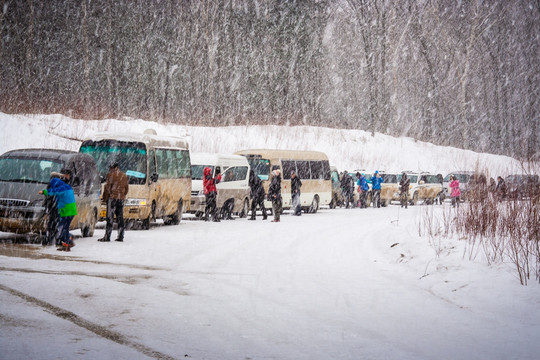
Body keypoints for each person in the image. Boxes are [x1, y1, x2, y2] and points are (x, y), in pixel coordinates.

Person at [39, 168, 77, 251]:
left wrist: (44, 192)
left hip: (65, 210)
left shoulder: (61, 187)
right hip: (69, 210)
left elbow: (54, 191)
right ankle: (66, 242)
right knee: (63, 227)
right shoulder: (66, 186)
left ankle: (67, 242)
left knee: (61, 227)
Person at [98, 162, 129, 242]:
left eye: (111, 168)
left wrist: (105, 198)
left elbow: (107, 188)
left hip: (112, 199)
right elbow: (126, 189)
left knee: (110, 218)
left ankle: (107, 236)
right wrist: (122, 195)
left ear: (114, 168)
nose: (110, 170)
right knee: (120, 218)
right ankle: (121, 236)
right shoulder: (124, 176)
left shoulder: (110, 175)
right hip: (120, 199)